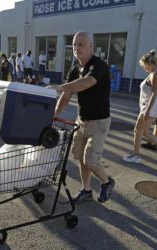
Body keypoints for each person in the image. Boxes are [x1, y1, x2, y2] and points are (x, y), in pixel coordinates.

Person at [48, 31, 115, 204]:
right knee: (80, 157)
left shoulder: (99, 65)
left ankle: (107, 182)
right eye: (75, 44)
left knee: (91, 161)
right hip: (82, 121)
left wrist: (58, 87)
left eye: (81, 44)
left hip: (99, 122)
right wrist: (54, 115)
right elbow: (67, 96)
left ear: (91, 46)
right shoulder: (74, 69)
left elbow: (86, 83)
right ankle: (86, 190)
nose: (77, 48)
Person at [122, 50, 157, 164]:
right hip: (150, 107)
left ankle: (136, 156)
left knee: (137, 131)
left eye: (143, 66)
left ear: (148, 64)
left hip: (149, 107)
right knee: (145, 132)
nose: (143, 68)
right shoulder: (155, 73)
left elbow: (155, 93)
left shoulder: (156, 74)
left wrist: (147, 111)